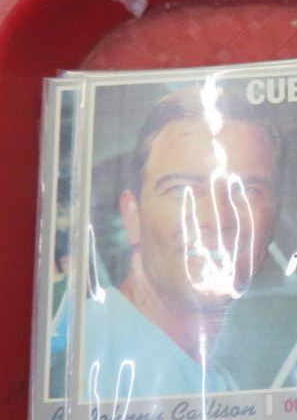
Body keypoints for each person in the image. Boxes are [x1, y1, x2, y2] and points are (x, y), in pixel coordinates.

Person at [82, 87, 283, 399]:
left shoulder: (206, 375)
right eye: (181, 190)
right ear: (132, 215)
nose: (218, 219)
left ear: (274, 216)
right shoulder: (78, 364)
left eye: (246, 191)